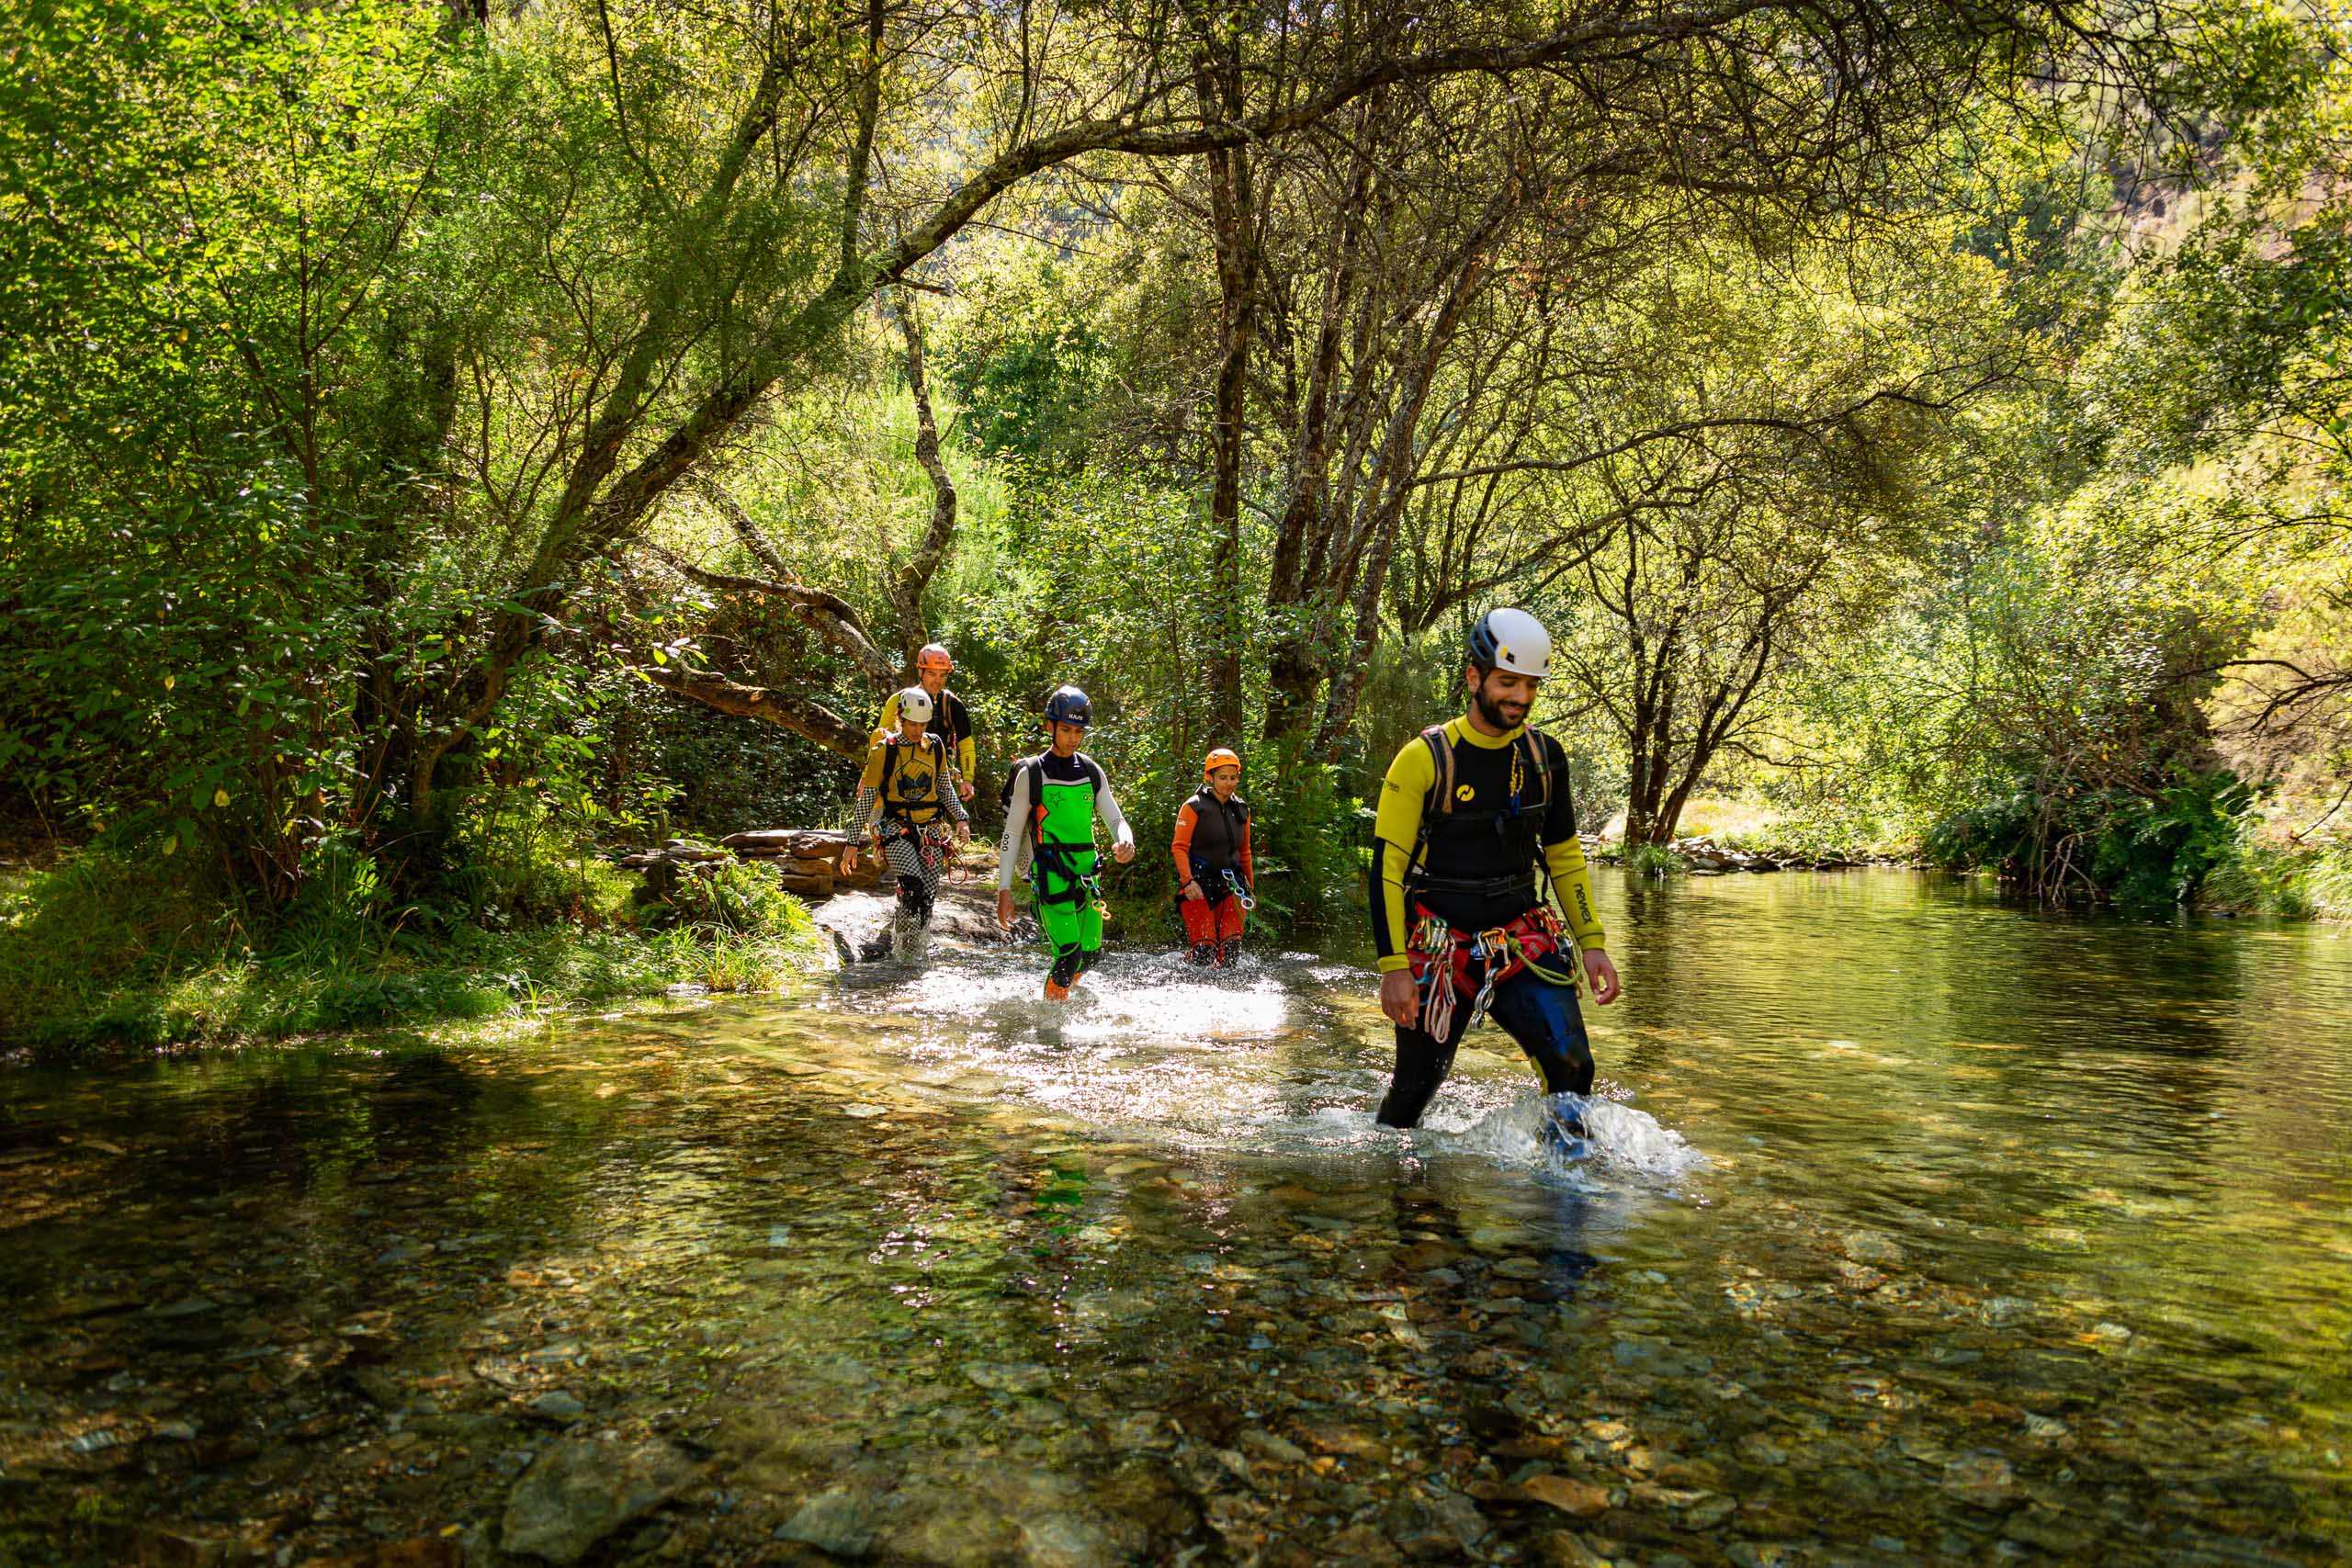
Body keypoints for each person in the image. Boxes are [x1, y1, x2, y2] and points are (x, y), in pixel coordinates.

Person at [1368, 607, 1622, 1129]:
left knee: (1573, 1068)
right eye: (1509, 682)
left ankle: (1564, 1197)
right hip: (1441, 949)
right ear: (1474, 677)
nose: (1522, 697)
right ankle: (1405, 1194)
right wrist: (1394, 969)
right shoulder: (1422, 759)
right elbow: (1388, 871)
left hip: (1522, 939)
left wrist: (1592, 942)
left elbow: (1565, 858)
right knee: (1415, 1090)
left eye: (1531, 685)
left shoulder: (1545, 757)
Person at [994, 686, 1136, 1000]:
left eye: (1078, 731)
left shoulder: (1090, 771)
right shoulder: (1031, 774)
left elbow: (1116, 819)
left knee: (1091, 954)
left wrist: (1125, 841)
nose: (1073, 738)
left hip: (1088, 876)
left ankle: (1061, 1000)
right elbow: (1013, 834)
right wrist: (1004, 890)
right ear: (1050, 726)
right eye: (1066, 730)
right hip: (1051, 876)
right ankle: (1049, 1024)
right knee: (1069, 954)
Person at [855, 686, 970, 946]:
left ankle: (915, 948)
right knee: (913, 889)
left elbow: (944, 788)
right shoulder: (885, 749)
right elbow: (866, 799)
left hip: (931, 829)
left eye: (922, 724)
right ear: (900, 719)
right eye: (911, 724)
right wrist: (852, 843)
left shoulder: (936, 747)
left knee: (927, 898)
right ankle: (901, 948)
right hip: (895, 828)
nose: (917, 730)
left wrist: (961, 818)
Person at [1173, 747, 1254, 967]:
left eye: (1233, 778)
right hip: (1199, 883)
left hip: (1233, 885)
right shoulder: (1194, 807)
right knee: (1204, 952)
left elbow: (1245, 853)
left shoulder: (1242, 810)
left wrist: (1251, 890)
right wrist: (1187, 882)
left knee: (1230, 953)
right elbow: (1179, 847)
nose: (1228, 783)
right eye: (1222, 778)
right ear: (1209, 777)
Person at [875, 643, 976, 800]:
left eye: (942, 675)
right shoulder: (898, 700)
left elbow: (966, 743)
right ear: (921, 672)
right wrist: (869, 779)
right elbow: (879, 741)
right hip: (901, 779)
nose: (938, 681)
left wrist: (968, 779)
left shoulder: (952, 704)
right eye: (932, 674)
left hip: (940, 781)